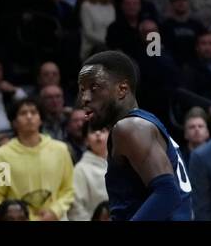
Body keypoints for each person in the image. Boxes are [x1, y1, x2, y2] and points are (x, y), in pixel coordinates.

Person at [78, 50, 192, 220]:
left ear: (122, 89)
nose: (85, 98)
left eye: (94, 88)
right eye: (82, 90)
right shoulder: (143, 124)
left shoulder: (130, 128)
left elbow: (168, 193)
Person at [0, 97, 76, 220]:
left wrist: (55, 211)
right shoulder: (3, 156)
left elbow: (68, 189)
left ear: (40, 119)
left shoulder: (59, 150)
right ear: (14, 122)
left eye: (33, 112)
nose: (29, 117)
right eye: (23, 113)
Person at [70, 125, 110, 221]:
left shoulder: (120, 164)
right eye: (92, 131)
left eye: (103, 130)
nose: (98, 133)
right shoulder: (80, 169)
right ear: (86, 141)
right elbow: (76, 208)